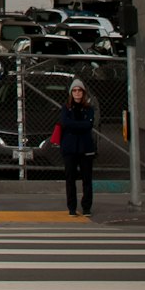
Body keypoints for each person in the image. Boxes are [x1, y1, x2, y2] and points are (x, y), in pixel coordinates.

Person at [59, 77, 97, 217]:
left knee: (87, 179)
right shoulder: (66, 108)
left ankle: (86, 207)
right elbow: (65, 123)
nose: (77, 93)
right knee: (70, 179)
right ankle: (72, 207)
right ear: (71, 93)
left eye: (79, 90)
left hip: (85, 148)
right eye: (74, 90)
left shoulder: (89, 109)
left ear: (83, 92)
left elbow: (88, 125)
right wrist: (78, 126)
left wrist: (73, 125)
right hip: (70, 149)